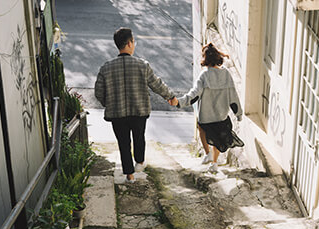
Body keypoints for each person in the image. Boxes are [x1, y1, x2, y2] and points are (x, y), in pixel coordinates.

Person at [95, 27, 178, 182]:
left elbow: (99, 92)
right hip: (139, 111)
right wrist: (171, 96)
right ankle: (139, 162)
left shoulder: (106, 68)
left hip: (117, 114)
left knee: (123, 143)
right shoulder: (142, 65)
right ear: (129, 43)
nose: (134, 44)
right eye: (133, 41)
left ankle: (129, 175)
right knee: (139, 137)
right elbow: (157, 84)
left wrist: (110, 103)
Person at [176, 42, 244, 173]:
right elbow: (233, 95)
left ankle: (208, 153)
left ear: (205, 58)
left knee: (201, 129)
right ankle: (214, 163)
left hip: (206, 116)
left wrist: (180, 102)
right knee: (218, 138)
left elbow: (194, 95)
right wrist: (238, 113)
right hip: (221, 115)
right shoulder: (226, 74)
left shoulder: (204, 75)